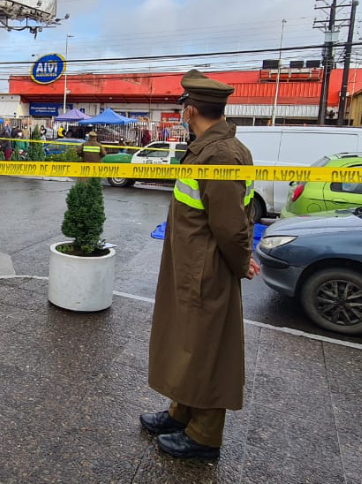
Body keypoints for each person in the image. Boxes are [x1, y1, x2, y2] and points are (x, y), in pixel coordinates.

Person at [140, 69, 258, 461]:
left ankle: (204, 437)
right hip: (192, 265)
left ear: (190, 111)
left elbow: (231, 225)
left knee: (205, 347)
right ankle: (182, 413)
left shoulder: (221, 154)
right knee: (188, 343)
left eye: (183, 108)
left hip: (206, 270)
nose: (181, 113)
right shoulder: (207, 147)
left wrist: (242, 262)